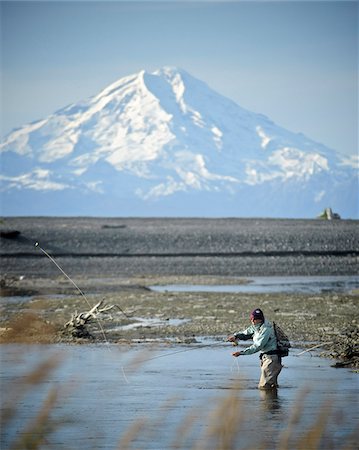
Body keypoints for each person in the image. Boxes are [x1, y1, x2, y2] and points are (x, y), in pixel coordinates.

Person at [227, 308, 283, 390]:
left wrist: (241, 353)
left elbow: (258, 346)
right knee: (271, 387)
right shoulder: (256, 326)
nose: (252, 321)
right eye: (251, 318)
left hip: (272, 359)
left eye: (255, 319)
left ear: (260, 319)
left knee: (264, 387)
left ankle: (268, 402)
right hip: (266, 358)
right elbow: (246, 333)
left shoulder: (266, 329)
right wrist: (235, 336)